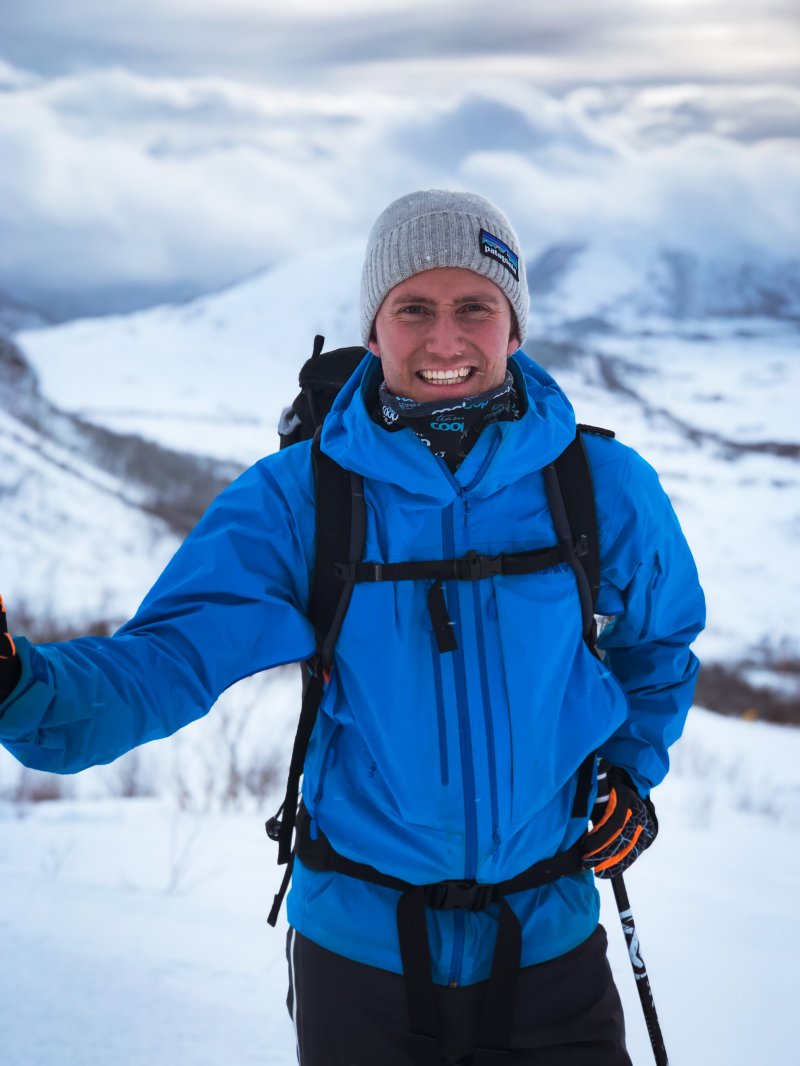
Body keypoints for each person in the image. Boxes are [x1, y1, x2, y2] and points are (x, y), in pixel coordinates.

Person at [0, 190, 705, 1065]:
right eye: (413, 308)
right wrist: (22, 687)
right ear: (374, 330)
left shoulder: (601, 485)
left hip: (549, 947)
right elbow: (170, 658)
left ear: (514, 327)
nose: (444, 340)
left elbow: (659, 648)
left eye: (475, 307)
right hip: (363, 958)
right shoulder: (301, 499)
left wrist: (631, 775)